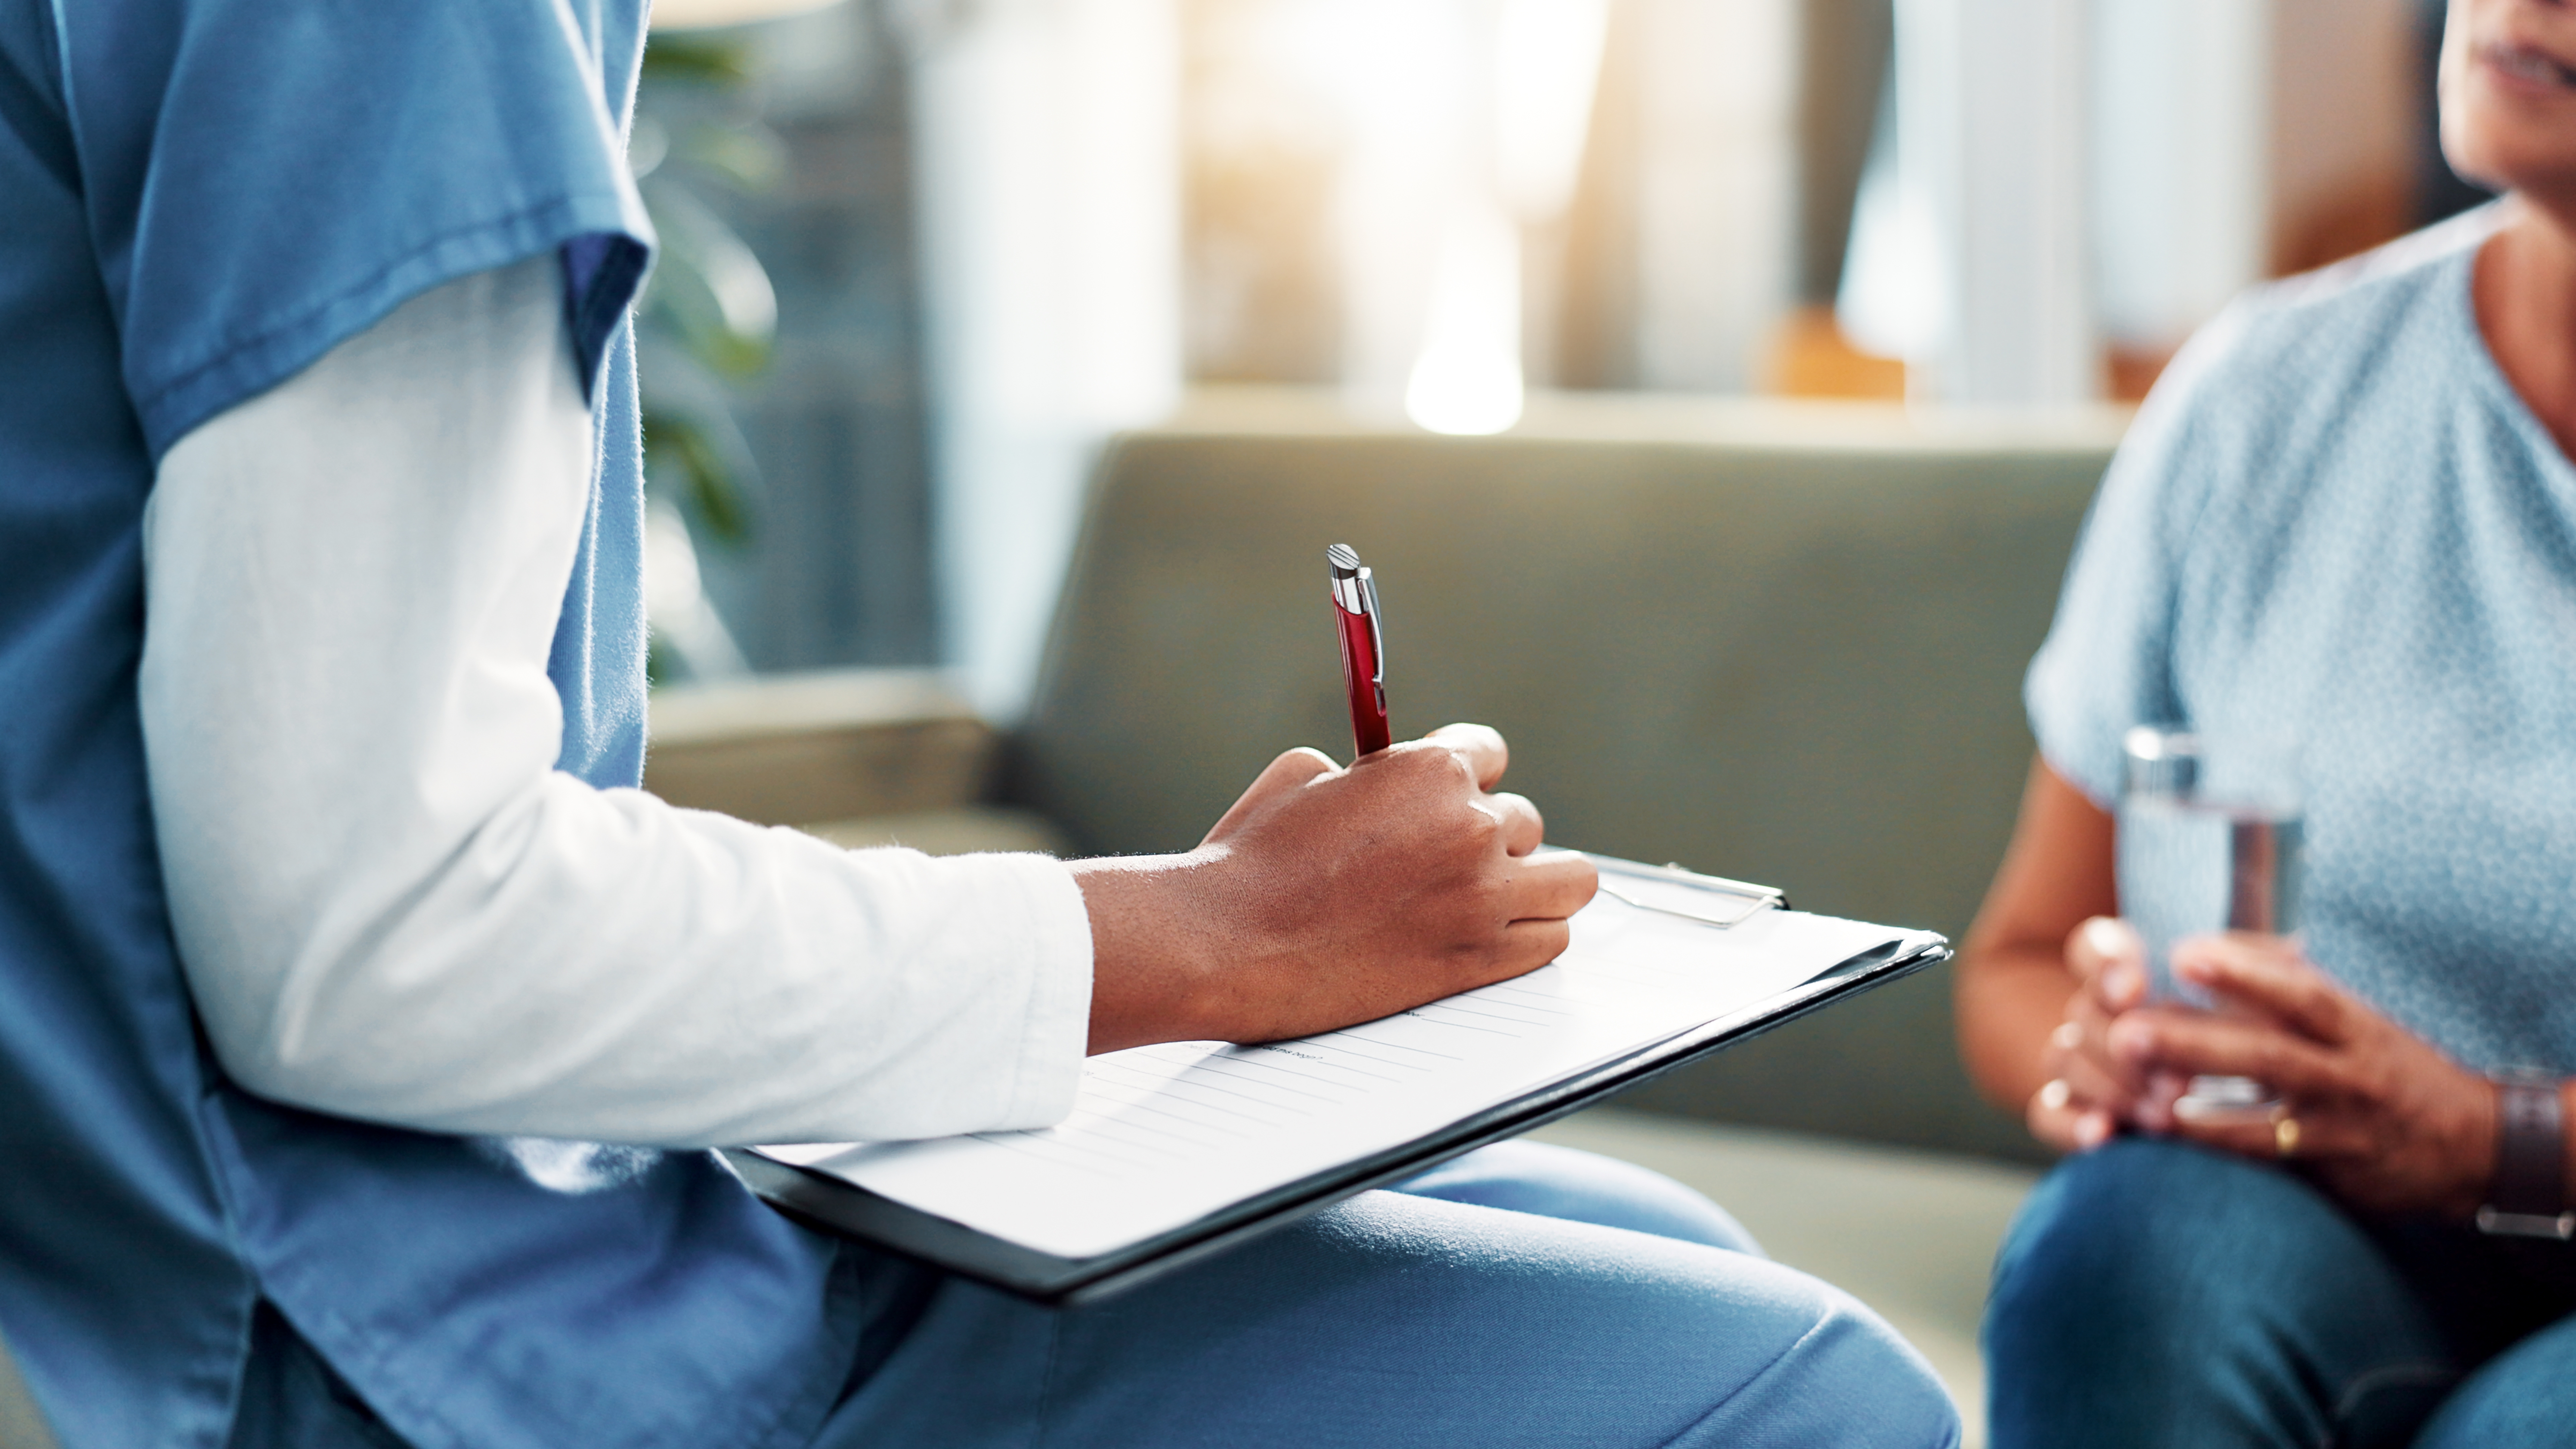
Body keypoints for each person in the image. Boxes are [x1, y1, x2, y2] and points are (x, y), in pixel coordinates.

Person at [0, 4, 1961, 1446]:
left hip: (378, 1233)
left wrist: (1206, 924)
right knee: (1824, 1403)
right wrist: (1218, 934)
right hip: (348, 1345)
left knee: (1635, 1225)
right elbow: (375, 926)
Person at [1956, 0, 2576, 1443]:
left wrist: (2492, 1141)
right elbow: (2023, 958)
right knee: (2121, 1266)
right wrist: (2100, 1058)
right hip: (2310, 1239)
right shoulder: (2263, 394)